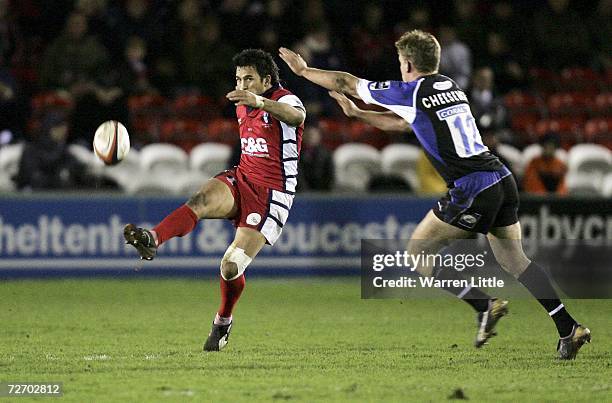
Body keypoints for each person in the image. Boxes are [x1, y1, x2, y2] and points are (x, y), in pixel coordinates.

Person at [279, 30, 590, 359]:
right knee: (515, 260)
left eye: (401, 62)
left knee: (418, 252)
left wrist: (303, 72)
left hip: (472, 185)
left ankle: (484, 304)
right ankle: (568, 328)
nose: (400, 68)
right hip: (501, 177)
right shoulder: (449, 87)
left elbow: (345, 82)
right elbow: (404, 124)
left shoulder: (410, 91)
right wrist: (358, 115)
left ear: (409, 62)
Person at [124, 49, 306, 351]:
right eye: (238, 79)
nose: (242, 85)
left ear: (267, 80)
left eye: (249, 79)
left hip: (272, 194)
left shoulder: (285, 99)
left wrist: (260, 102)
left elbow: (297, 116)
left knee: (231, 267)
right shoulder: (241, 104)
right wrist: (251, 100)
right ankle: (154, 237)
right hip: (241, 179)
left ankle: (223, 321)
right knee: (200, 199)